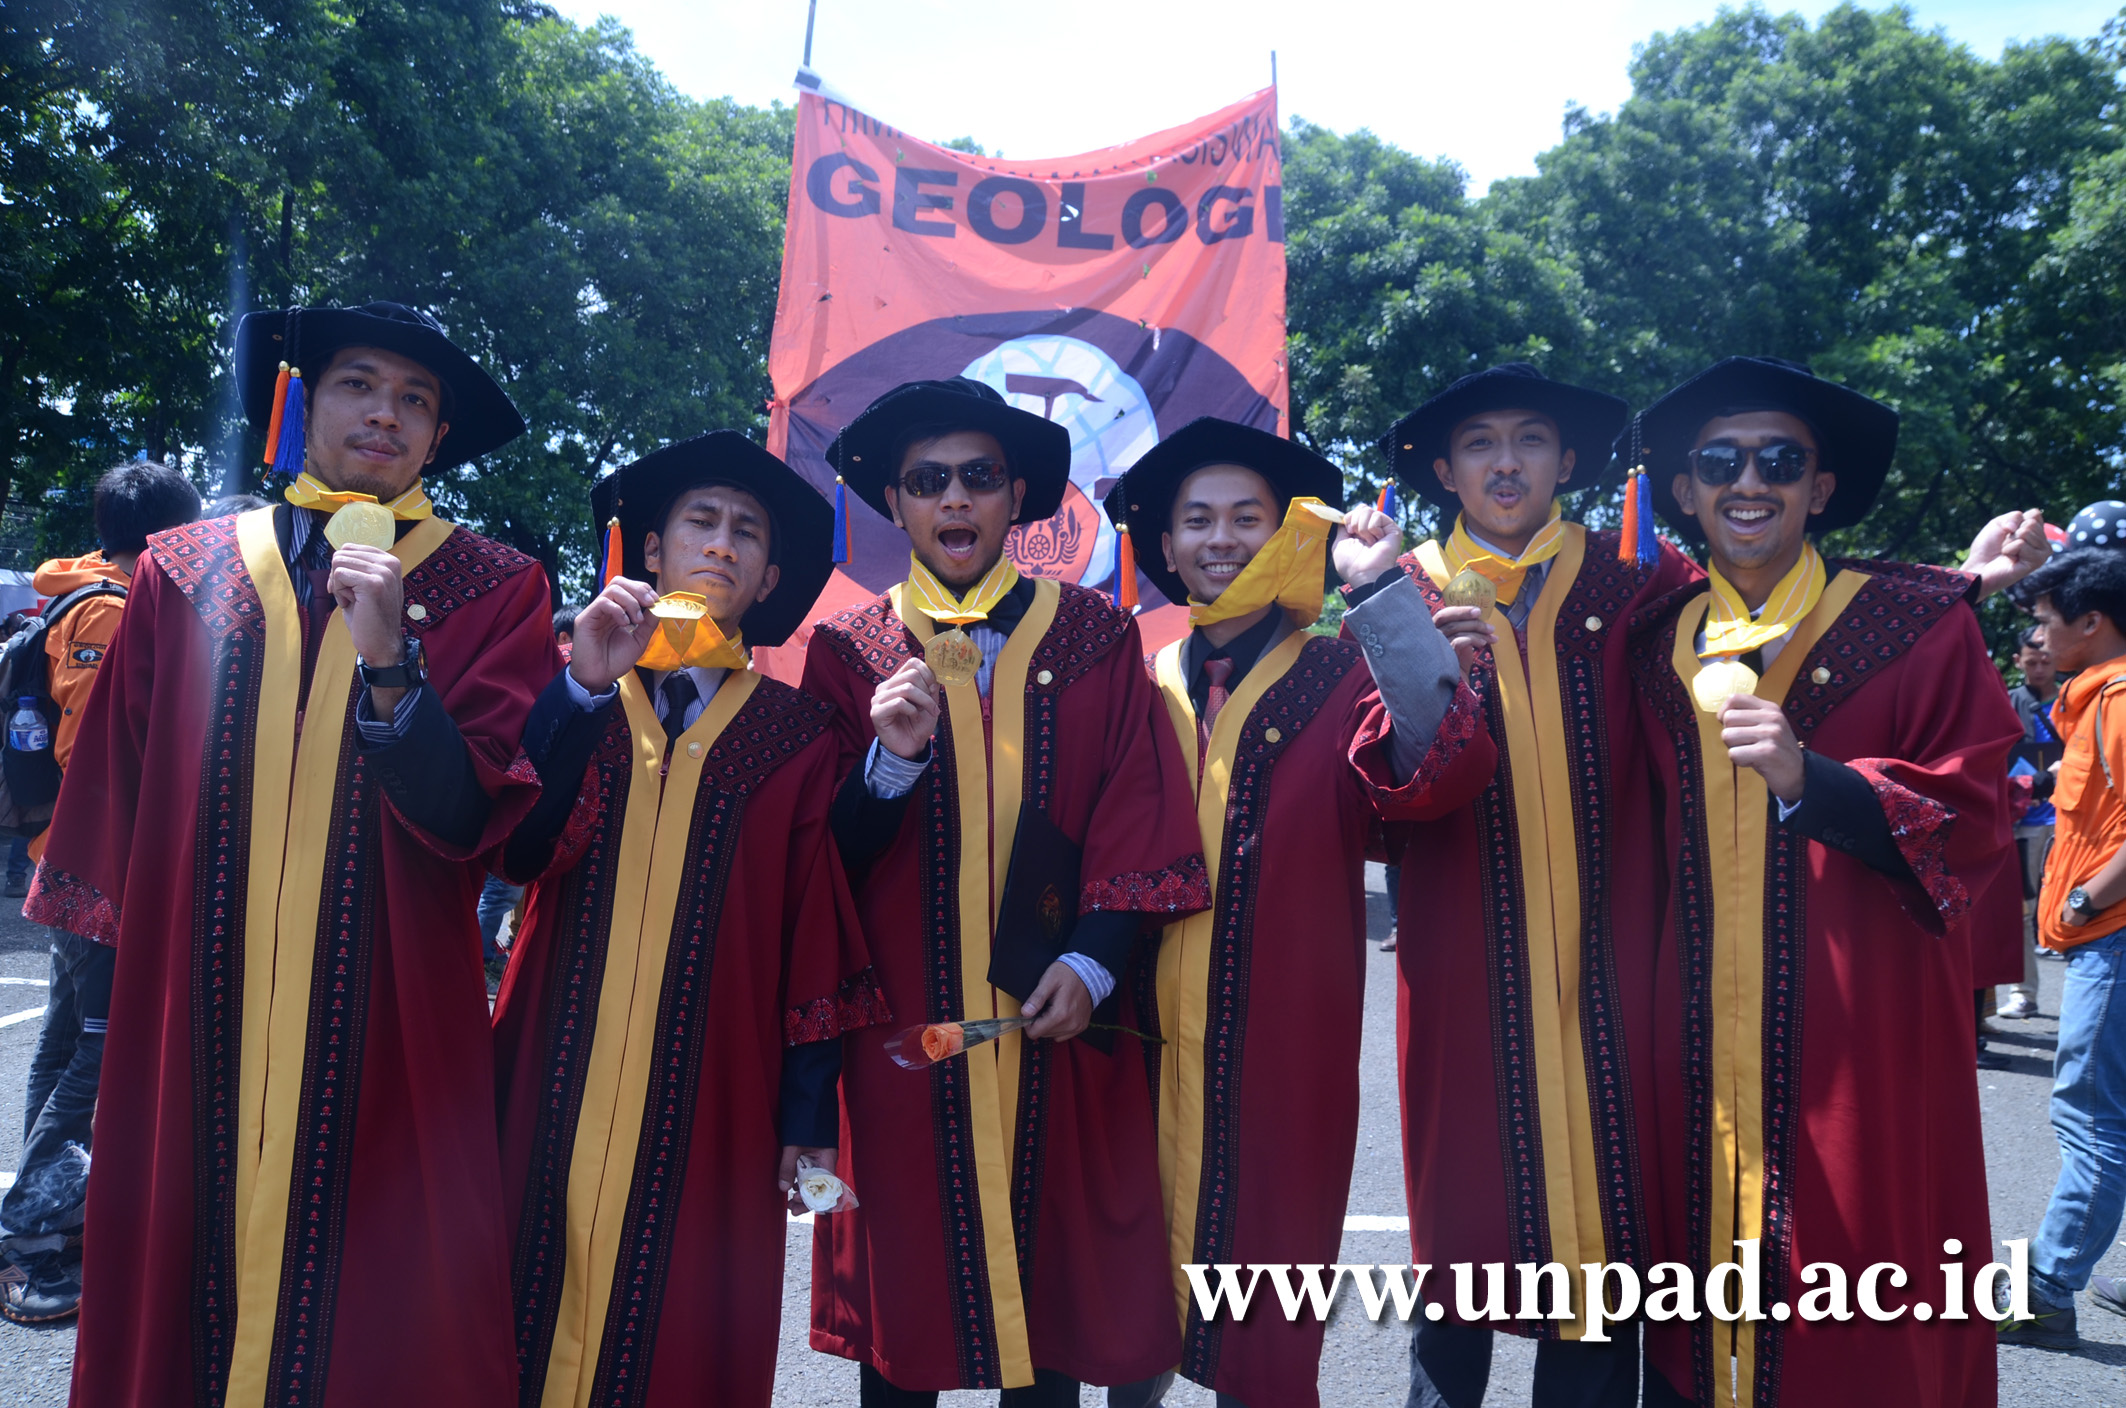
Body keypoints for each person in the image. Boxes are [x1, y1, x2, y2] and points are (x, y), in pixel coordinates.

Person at [26, 301, 554, 1405]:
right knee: (185, 1283)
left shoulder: (492, 589)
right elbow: (116, 788)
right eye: (359, 384)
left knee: (379, 1304)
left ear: (438, 435)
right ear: (303, 401)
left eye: (415, 399)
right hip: (195, 996)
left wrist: (392, 661)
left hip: (391, 1008)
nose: (385, 414)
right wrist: (119, 995)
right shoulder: (185, 570)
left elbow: (474, 818)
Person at [804, 377, 1209, 1406]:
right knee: (903, 1317)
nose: (954, 498)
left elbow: (1136, 805)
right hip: (904, 1030)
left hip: (1055, 1020)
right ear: (893, 503)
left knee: (1051, 1313)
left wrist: (1095, 958)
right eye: (926, 481)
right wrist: (887, 764)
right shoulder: (848, 654)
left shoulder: (1094, 637)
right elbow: (821, 858)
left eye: (979, 476)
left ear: (1015, 496)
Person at [1626, 356, 2020, 1406]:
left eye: (1779, 460)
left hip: (1860, 1024)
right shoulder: (1652, 646)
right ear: (1684, 490)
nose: (1748, 481)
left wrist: (1819, 781)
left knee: (1859, 1287)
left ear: (1820, 486)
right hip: (1690, 1025)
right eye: (1720, 462)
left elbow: (1976, 807)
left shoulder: (1912, 623)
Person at [1101, 418, 1492, 1408]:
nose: (1221, 537)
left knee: (1265, 1329)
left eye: (1248, 517)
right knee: (1125, 1314)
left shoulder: (1341, 674)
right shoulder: (1137, 682)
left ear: (1285, 535)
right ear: (1166, 542)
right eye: (1198, 519)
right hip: (1132, 1041)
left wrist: (1379, 593)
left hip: (1282, 1053)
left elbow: (1439, 765)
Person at [492, 431, 886, 1406]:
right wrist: (583, 689)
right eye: (699, 522)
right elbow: (516, 847)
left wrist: (807, 1118)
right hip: (549, 1060)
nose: (720, 542)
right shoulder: (576, 685)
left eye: (747, 532)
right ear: (650, 550)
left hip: (715, 1086)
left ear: (769, 578)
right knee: (510, 1296)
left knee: (680, 1317)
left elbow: (811, 936)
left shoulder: (795, 736)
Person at [1372, 363, 1700, 1407]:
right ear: (1443, 469)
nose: (1505, 463)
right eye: (1479, 443)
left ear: (1568, 460)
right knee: (1460, 1225)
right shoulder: (1396, 590)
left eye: (1530, 440)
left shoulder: (1637, 578)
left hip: (1616, 955)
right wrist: (1424, 665)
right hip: (1461, 956)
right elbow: (1377, 787)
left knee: (1605, 1220)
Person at [0, 460, 199, 1325]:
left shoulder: (78, 592)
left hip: (68, 859)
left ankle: (51, 1208)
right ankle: (30, 1238)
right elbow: (95, 751)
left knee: (64, 1040)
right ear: (172, 535)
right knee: (101, 1045)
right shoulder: (113, 612)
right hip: (99, 867)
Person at [1997, 512, 2126, 1346]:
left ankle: (2046, 1289)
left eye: (2047, 620)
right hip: (2106, 938)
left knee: (2090, 1118)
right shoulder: (2097, 699)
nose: (2038, 636)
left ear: (2092, 623)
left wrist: (2083, 902)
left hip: (2112, 939)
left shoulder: (2118, 701)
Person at [2001, 627, 2064, 1018]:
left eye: (2046, 661)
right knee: (2023, 907)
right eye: (2031, 662)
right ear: (2018, 662)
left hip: (2069, 817)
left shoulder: (2074, 699)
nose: (2039, 668)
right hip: (2025, 819)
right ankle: (2024, 992)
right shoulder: (2008, 702)